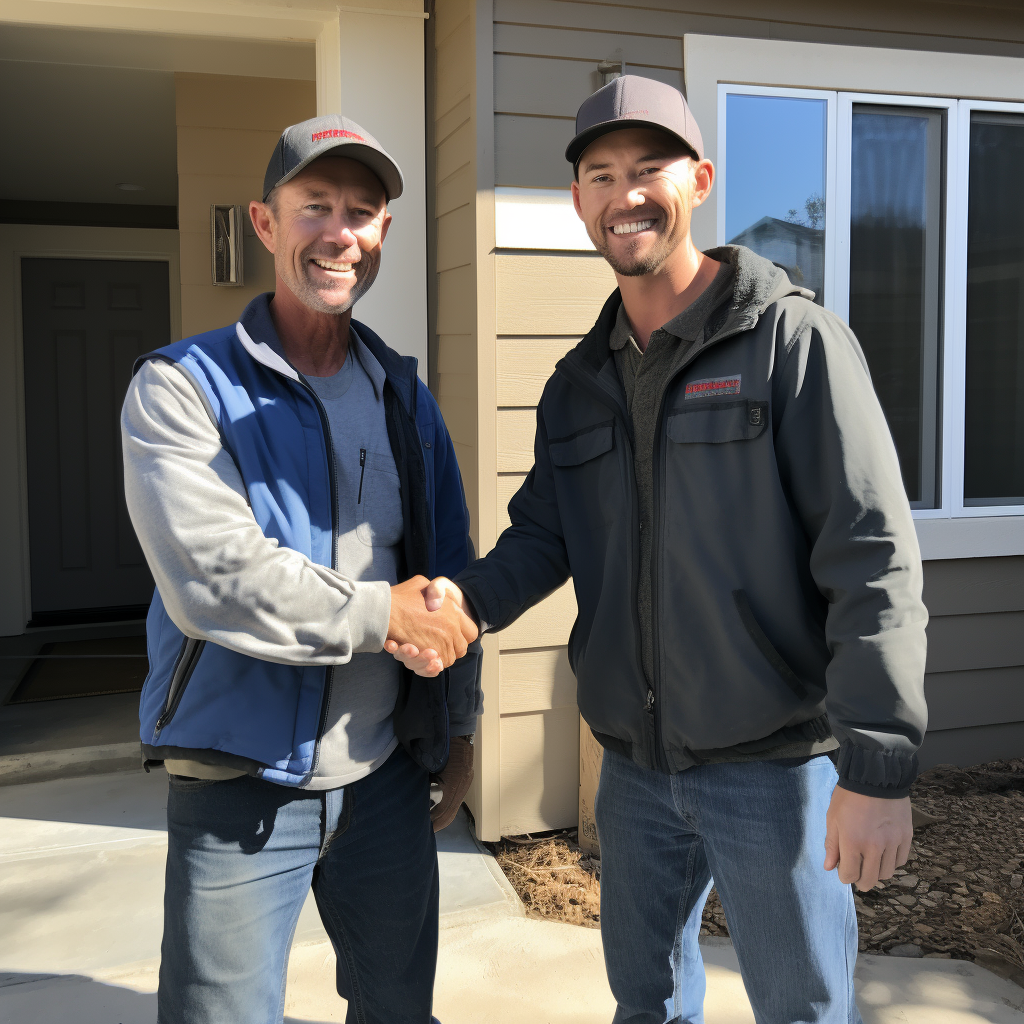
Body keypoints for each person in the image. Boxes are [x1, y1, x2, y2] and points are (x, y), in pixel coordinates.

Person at [387, 76, 929, 1023]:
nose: (624, 194)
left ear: (701, 180)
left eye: (649, 168)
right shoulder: (578, 381)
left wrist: (877, 772)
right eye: (601, 174)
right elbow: (545, 536)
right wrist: (466, 606)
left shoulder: (791, 345)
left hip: (774, 772)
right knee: (645, 1005)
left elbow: (871, 557)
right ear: (578, 202)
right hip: (633, 773)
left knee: (803, 1012)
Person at [121, 113, 480, 1024]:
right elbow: (214, 579)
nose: (339, 232)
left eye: (362, 212)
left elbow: (447, 567)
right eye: (314, 204)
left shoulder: (403, 392)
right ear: (264, 222)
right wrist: (382, 616)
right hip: (240, 784)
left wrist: (461, 722)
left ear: (384, 234)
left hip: (387, 781)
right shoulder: (181, 387)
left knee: (399, 1010)